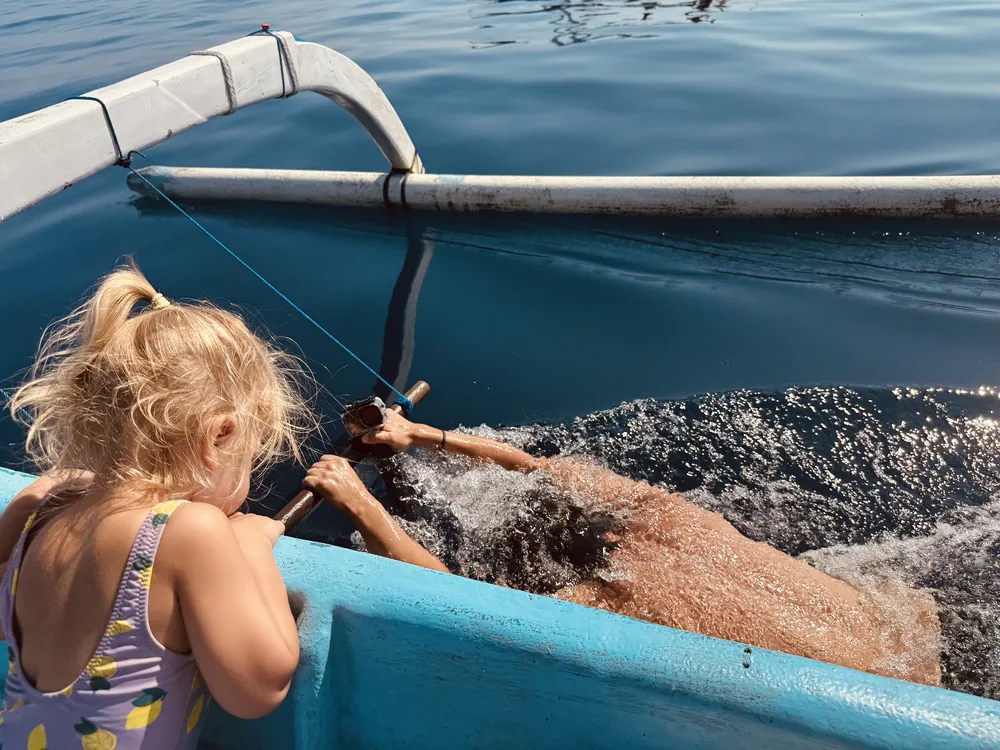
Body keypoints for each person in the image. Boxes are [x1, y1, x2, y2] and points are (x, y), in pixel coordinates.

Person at [326, 409, 943, 687]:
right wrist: (422, 434)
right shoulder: (669, 515)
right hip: (907, 630)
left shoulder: (614, 599)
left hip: (868, 697)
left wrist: (362, 505)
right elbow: (535, 466)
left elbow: (459, 598)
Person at [0, 263, 315, 748]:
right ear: (220, 435)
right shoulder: (190, 532)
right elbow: (259, 690)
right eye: (251, 455)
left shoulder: (43, 509)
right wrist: (252, 544)